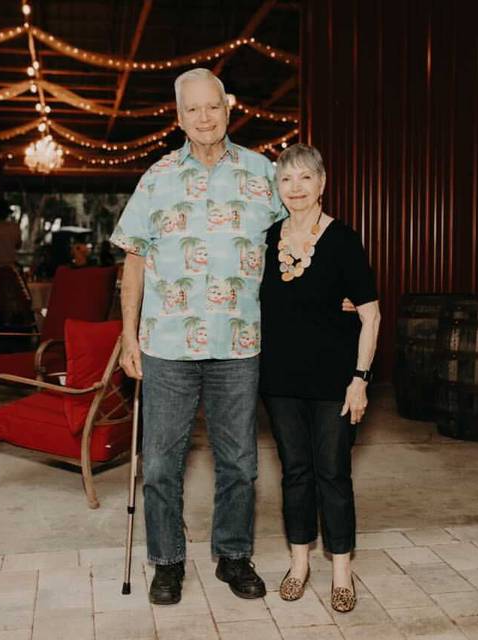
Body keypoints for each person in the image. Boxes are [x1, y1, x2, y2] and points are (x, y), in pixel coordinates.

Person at [110, 68, 284, 605]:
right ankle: (166, 561)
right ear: (178, 116)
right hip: (167, 344)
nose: (204, 118)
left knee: (240, 462)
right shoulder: (156, 178)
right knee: (161, 462)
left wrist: (338, 289)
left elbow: (298, 240)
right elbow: (134, 261)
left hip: (239, 343)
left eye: (213, 107)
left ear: (228, 109)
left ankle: (233, 555)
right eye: (193, 110)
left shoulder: (264, 173)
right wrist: (128, 335)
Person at [259, 143, 380, 613]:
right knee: (295, 473)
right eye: (287, 180)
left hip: (334, 382)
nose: (296, 188)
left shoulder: (345, 241)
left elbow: (371, 316)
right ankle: (298, 563)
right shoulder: (268, 240)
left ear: (322, 184)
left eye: (305, 178)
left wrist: (360, 378)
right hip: (280, 380)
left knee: (333, 472)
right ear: (279, 187)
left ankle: (342, 571)